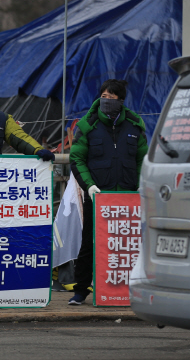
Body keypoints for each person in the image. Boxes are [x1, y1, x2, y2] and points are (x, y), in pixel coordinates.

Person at [67, 79, 148, 305]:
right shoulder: (87, 124)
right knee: (90, 242)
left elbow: (143, 158)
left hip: (128, 196)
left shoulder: (135, 124)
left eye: (112, 98)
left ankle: (131, 289)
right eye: (104, 96)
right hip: (99, 196)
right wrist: (89, 186)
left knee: (128, 244)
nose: (107, 101)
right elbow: (77, 158)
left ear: (121, 101)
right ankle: (81, 290)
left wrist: (141, 184)